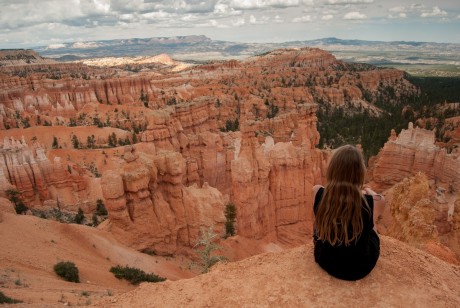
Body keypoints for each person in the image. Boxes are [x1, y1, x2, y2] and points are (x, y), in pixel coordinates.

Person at [312, 145, 385, 281]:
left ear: (332, 169)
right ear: (360, 172)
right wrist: (366, 189)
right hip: (359, 268)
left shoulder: (317, 192)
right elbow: (380, 198)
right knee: (372, 223)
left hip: (325, 260)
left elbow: (316, 224)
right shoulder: (373, 202)